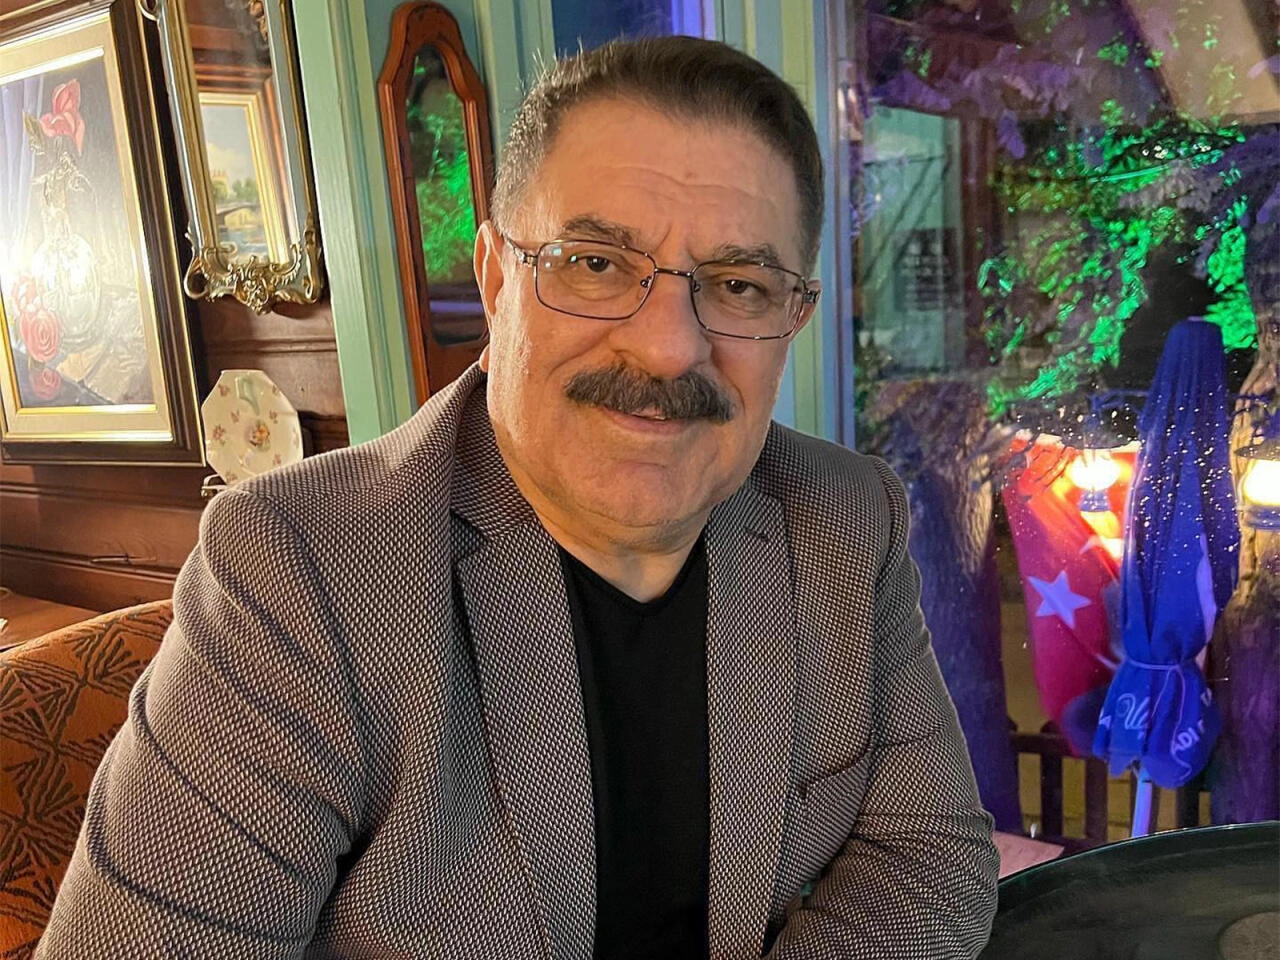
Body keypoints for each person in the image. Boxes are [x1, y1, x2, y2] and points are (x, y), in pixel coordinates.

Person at [38, 36, 997, 959]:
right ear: (499, 281)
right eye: (595, 263)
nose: (669, 347)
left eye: (739, 284)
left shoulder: (844, 515)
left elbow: (933, 858)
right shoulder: (301, 567)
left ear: (793, 317)